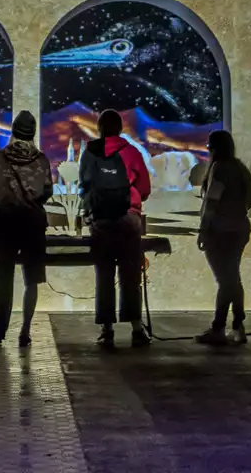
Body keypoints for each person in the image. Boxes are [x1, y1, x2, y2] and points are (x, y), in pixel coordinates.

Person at [80, 109, 152, 348]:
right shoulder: (132, 151)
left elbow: (85, 186)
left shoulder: (90, 152)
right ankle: (136, 329)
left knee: (104, 273)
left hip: (101, 219)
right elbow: (144, 187)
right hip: (129, 218)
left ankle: (107, 330)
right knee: (130, 274)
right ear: (120, 129)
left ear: (99, 129)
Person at [0, 111, 53, 347]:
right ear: (33, 133)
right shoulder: (42, 160)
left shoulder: (0, 158)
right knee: (31, 279)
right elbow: (47, 191)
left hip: (5, 224)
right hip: (33, 223)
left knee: (4, 277)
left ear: (13, 131)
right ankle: (25, 331)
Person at [195, 130, 251, 346]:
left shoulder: (219, 168)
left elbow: (212, 201)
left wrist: (203, 229)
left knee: (226, 281)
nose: (207, 149)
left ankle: (218, 328)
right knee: (232, 279)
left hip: (219, 231)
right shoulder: (240, 167)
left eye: (209, 145)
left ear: (214, 148)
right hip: (240, 228)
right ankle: (238, 326)